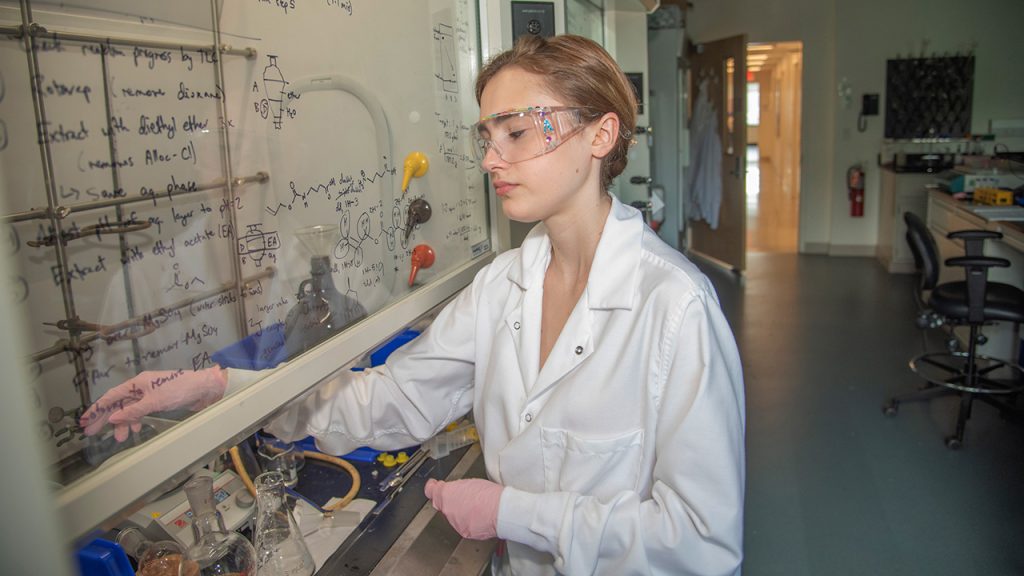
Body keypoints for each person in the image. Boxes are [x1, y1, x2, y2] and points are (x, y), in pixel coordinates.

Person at [82, 34, 745, 575]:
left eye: (516, 132)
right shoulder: (501, 287)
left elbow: (702, 542)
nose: (491, 158)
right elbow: (386, 403)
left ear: (600, 137)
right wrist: (217, 390)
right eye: (486, 135)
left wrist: (511, 513)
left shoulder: (674, 309)